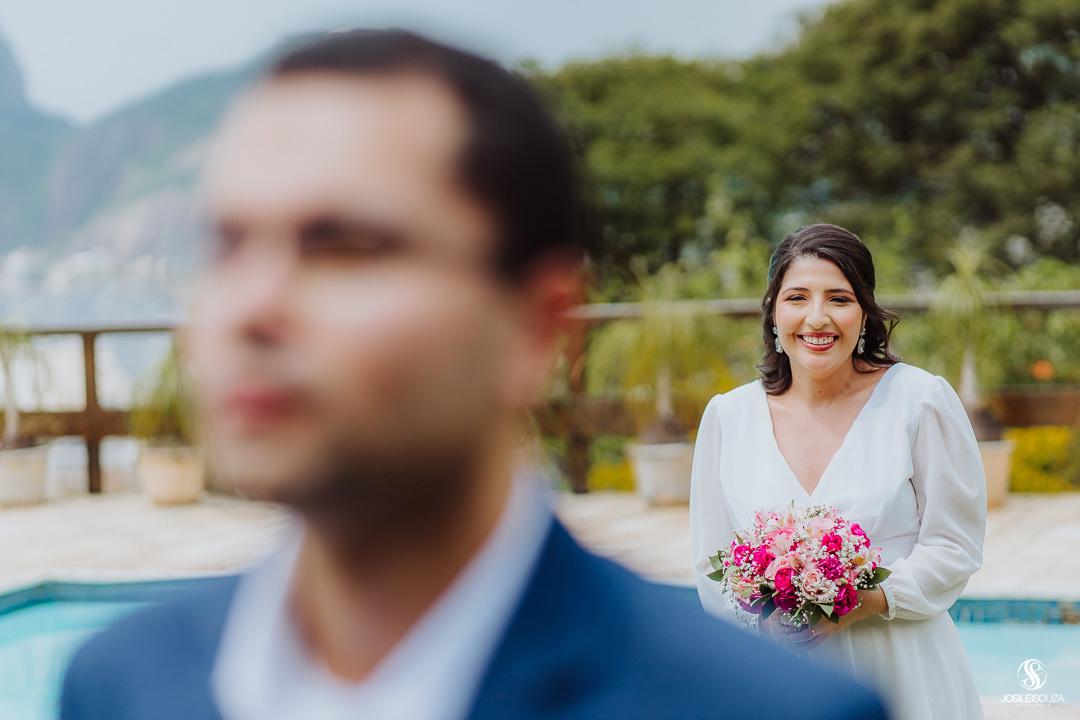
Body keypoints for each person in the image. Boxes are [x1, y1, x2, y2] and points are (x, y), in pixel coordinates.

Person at [61, 32, 888, 720]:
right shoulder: (121, 684)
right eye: (229, 245)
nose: (252, 308)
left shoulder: (755, 708)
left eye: (345, 246)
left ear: (536, 325)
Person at [690, 223, 987, 719]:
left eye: (839, 298)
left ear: (865, 313)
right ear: (772, 312)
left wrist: (867, 600)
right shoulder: (727, 416)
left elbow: (955, 546)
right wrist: (762, 625)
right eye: (797, 297)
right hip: (776, 679)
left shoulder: (920, 400)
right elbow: (711, 564)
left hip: (900, 667)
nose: (817, 317)